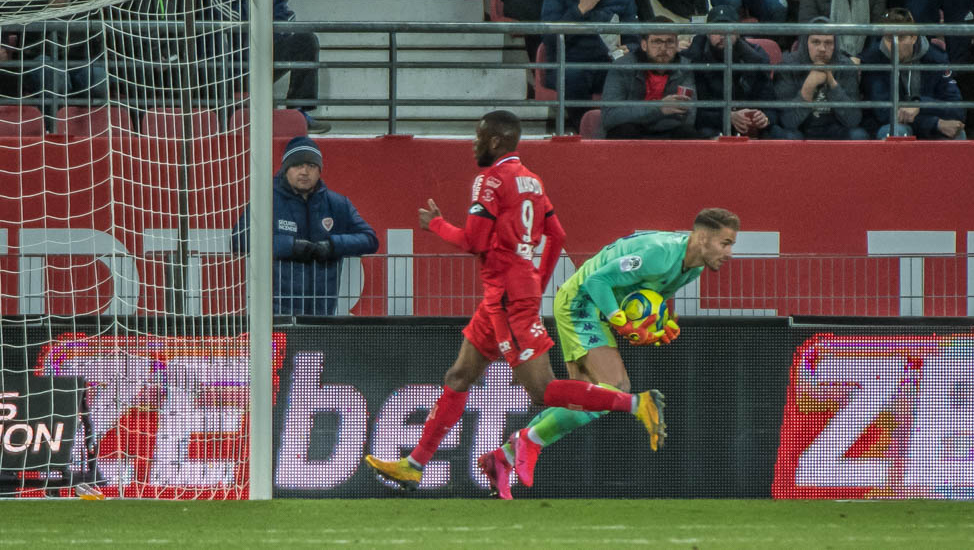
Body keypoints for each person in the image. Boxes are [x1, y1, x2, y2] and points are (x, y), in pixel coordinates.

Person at [363, 111, 667, 495]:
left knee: (542, 389)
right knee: (459, 376)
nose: (474, 144)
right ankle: (414, 465)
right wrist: (536, 280)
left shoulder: (490, 180)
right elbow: (557, 234)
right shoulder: (532, 181)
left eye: (478, 136)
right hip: (505, 295)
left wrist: (436, 224)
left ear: (494, 141)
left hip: (507, 297)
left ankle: (636, 404)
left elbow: (474, 241)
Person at [482, 208, 740, 499]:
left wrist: (659, 326)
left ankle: (503, 457)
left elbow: (653, 297)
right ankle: (528, 441)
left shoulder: (693, 268)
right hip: (580, 301)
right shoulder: (659, 253)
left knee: (589, 399)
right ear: (703, 238)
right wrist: (622, 323)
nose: (729, 253)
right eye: (725, 243)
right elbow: (596, 282)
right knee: (615, 387)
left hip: (596, 308)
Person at [230, 136, 379, 316]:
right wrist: (290, 246)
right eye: (297, 165)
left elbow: (370, 239)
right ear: (286, 169)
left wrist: (333, 246)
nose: (304, 172)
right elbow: (239, 239)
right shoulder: (266, 201)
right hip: (275, 316)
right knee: (278, 337)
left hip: (322, 314)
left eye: (311, 165)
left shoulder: (338, 204)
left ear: (319, 171)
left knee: (318, 336)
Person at [204, 0, 329, 133]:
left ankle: (299, 113)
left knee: (305, 40)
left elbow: (286, 20)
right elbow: (231, 19)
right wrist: (263, 22)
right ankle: (223, 115)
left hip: (263, 57)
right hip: (230, 65)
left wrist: (265, 29)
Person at [541, 0, 638, 132]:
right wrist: (579, 10)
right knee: (573, 76)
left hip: (607, 64)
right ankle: (584, 132)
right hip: (567, 63)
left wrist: (630, 48)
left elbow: (634, 39)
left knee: (633, 75)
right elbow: (548, 38)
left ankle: (621, 132)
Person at [860, 7, 966, 138]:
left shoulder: (936, 58)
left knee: (958, 134)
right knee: (895, 131)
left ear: (914, 37)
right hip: (891, 125)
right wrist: (934, 123)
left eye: (901, 38)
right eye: (889, 38)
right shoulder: (874, 60)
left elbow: (957, 109)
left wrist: (920, 104)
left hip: (927, 124)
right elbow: (884, 114)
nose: (894, 44)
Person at [772, 17, 869, 139]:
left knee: (858, 135)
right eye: (816, 42)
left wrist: (832, 84)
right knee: (790, 137)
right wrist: (808, 88)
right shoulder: (788, 66)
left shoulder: (846, 66)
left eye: (828, 43)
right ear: (806, 43)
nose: (822, 49)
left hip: (835, 128)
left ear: (835, 45)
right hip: (801, 129)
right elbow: (787, 122)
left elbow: (853, 120)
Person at [686, 4, 774, 137]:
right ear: (708, 33)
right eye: (717, 31)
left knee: (780, 134)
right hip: (711, 126)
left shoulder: (755, 58)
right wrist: (727, 117)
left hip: (749, 126)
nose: (723, 36)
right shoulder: (695, 59)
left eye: (729, 30)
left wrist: (765, 117)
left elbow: (772, 104)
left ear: (738, 33)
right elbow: (693, 113)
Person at [600, 22, 700, 138]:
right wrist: (659, 108)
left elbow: (688, 117)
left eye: (669, 42)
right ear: (644, 45)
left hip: (667, 132)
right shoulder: (622, 66)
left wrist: (642, 116)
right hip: (632, 131)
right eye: (657, 42)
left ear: (677, 45)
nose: (663, 48)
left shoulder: (684, 67)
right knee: (625, 131)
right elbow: (610, 116)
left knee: (687, 133)